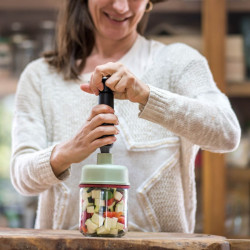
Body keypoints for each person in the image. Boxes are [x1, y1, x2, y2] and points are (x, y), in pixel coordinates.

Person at [10, 0, 241, 233]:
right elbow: (22, 178)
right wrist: (66, 152)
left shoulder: (178, 63)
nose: (121, 7)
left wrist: (147, 96)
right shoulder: (40, 76)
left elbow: (227, 133)